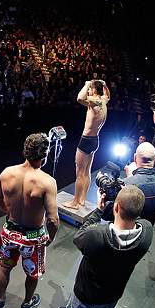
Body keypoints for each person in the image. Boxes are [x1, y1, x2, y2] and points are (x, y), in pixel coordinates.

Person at [55, 186, 153, 308]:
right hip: (112, 295)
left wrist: (98, 210)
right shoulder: (147, 233)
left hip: (85, 293)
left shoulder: (96, 235)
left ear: (115, 206)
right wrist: (129, 199)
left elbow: (78, 237)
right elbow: (139, 218)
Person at [0, 133, 59, 308]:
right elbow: (52, 219)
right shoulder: (47, 182)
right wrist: (50, 237)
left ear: (25, 151)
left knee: (5, 267)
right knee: (32, 272)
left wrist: (11, 212)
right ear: (45, 156)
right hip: (33, 237)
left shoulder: (6, 173)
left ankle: (0, 299)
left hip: (10, 232)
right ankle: (27, 302)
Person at [63, 79, 110, 210]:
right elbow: (108, 95)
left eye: (90, 89)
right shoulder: (104, 100)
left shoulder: (94, 101)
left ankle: (75, 202)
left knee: (80, 173)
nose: (88, 91)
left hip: (86, 140)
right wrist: (104, 84)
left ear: (94, 90)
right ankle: (82, 199)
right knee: (87, 171)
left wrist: (86, 84)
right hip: (95, 139)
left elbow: (79, 98)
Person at [122, 142, 155, 225]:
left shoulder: (127, 184)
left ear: (135, 158)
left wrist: (129, 178)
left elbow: (108, 214)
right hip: (147, 231)